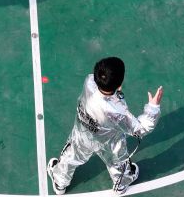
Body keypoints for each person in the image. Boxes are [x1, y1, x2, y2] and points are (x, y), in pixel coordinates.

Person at [46, 57, 162, 195]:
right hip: (110, 141)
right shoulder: (118, 111)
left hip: (84, 133)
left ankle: (60, 182)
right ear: (119, 85)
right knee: (118, 160)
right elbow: (140, 129)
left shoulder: (89, 82)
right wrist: (153, 108)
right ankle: (121, 184)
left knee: (71, 155)